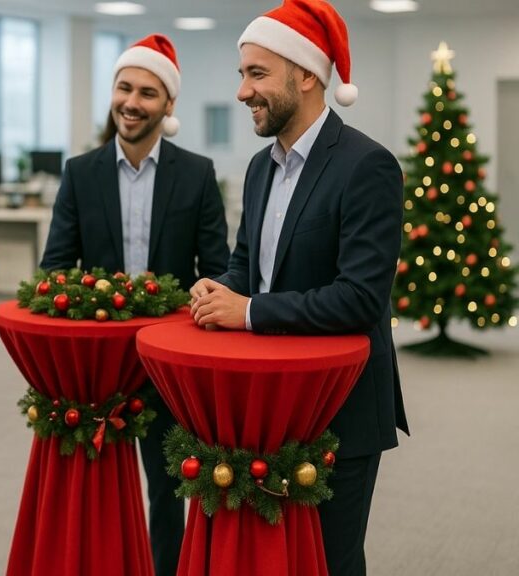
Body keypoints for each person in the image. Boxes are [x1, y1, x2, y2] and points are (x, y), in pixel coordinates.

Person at [189, 1, 409, 574]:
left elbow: (361, 299)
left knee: (329, 562)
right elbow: (247, 267)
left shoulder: (368, 166)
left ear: (306, 74)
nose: (242, 92)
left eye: (256, 74)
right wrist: (218, 291)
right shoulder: (261, 168)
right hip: (270, 404)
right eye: (242, 74)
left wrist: (250, 312)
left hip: (341, 407)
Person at [39, 33, 230, 576]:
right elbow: (55, 268)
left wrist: (204, 295)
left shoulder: (195, 174)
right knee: (99, 482)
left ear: (168, 105)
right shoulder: (81, 173)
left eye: (148, 92)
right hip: (101, 362)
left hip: (168, 360)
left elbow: (216, 268)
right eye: (124, 87)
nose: (132, 101)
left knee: (168, 487)